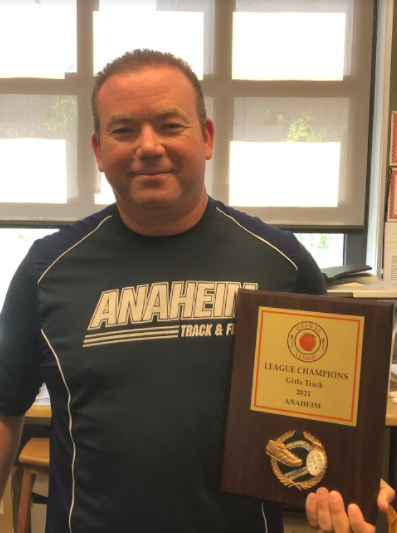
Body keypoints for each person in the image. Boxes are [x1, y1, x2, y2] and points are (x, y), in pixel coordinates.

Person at [0, 49, 393, 533]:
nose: (148, 146)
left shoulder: (282, 263)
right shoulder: (45, 269)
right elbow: (4, 407)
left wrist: (351, 484)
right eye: (124, 130)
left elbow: (330, 412)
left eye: (170, 125)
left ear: (205, 137)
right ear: (99, 150)